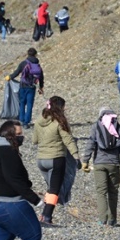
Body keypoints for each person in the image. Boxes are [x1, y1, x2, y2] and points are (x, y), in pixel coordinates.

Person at [33, 96, 81, 225]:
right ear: (60, 107)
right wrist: (76, 156)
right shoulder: (60, 121)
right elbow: (68, 140)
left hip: (41, 160)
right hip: (55, 159)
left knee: (50, 188)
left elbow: (35, 140)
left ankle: (44, 214)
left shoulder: (39, 120)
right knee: (55, 189)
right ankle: (47, 217)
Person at [81, 107, 120, 226]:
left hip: (99, 163)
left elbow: (91, 144)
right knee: (113, 192)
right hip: (114, 164)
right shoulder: (119, 128)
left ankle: (103, 219)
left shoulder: (96, 127)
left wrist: (85, 160)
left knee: (101, 192)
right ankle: (112, 219)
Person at [5, 48, 44, 129]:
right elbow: (41, 77)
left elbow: (17, 72)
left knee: (22, 103)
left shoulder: (24, 63)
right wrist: (41, 87)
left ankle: (21, 120)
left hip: (23, 86)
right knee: (30, 104)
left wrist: (10, 77)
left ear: (28, 54)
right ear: (35, 54)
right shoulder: (38, 65)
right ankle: (26, 122)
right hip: (32, 87)